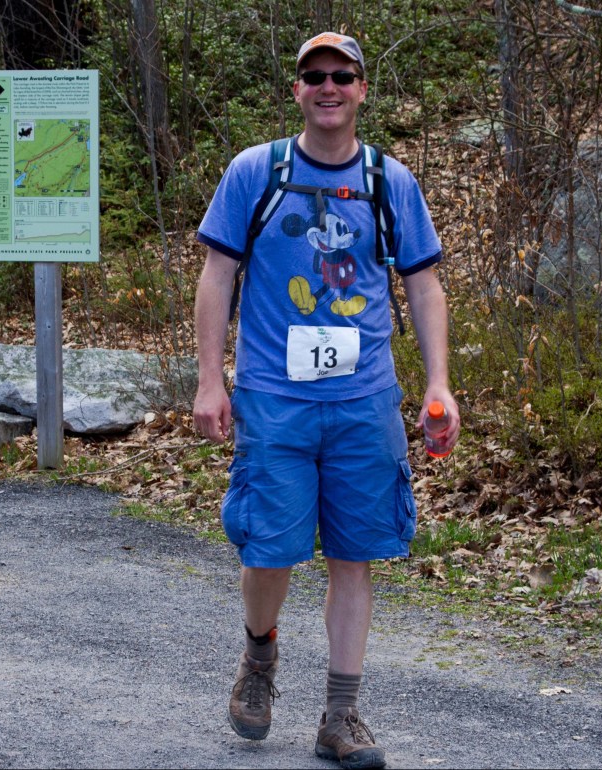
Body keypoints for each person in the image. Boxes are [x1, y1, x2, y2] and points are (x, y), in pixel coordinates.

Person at [192, 31, 460, 770]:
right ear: (299, 89)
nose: (329, 86)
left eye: (343, 75)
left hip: (363, 399)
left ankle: (341, 715)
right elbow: (217, 274)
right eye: (316, 75)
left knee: (354, 555)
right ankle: (259, 655)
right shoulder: (257, 172)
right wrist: (211, 379)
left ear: (363, 89)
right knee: (269, 551)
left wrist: (438, 383)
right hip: (274, 400)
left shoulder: (389, 181)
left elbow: (424, 284)